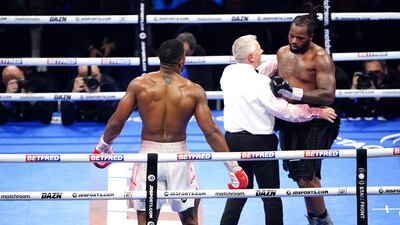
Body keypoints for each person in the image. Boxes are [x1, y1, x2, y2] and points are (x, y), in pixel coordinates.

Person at [92, 39, 249, 225]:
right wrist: (234, 169)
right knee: (190, 219)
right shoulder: (193, 90)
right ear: (182, 61)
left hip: (148, 158)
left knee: (146, 221)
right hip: (179, 159)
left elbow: (117, 122)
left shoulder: (139, 85)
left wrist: (102, 147)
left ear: (160, 59)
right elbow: (211, 133)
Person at [220, 35, 337, 225]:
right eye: (259, 50)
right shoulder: (261, 84)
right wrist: (316, 112)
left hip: (233, 140)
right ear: (251, 57)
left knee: (240, 188)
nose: (262, 52)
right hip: (260, 143)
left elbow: (256, 74)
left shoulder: (227, 73)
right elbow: (285, 111)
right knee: (271, 195)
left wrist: (283, 59)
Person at [272, 7, 340, 225]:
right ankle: (314, 218)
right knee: (302, 177)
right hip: (290, 120)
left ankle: (323, 220)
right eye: (291, 35)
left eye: (300, 38)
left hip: (317, 121)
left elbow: (328, 95)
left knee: (306, 177)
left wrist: (295, 93)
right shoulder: (282, 53)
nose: (294, 40)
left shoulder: (320, 57)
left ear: (311, 37)